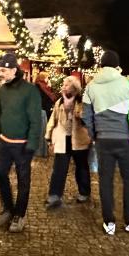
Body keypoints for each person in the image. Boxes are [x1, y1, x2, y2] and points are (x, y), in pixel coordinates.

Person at [82, 50, 129, 235]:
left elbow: (86, 115)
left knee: (105, 181)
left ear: (101, 65)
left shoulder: (91, 86)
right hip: (126, 140)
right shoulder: (127, 83)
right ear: (117, 65)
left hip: (103, 140)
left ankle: (109, 222)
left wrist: (95, 134)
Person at [0, 53, 43, 233]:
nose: (1, 73)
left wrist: (32, 143)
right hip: (5, 142)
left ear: (14, 70)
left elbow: (36, 119)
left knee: (23, 180)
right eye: (0, 70)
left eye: (4, 70)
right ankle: (8, 208)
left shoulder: (30, 90)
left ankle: (19, 215)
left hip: (22, 144)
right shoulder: (2, 90)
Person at [45, 75, 91, 209]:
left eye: (66, 85)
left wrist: (73, 110)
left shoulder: (82, 101)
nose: (63, 87)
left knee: (81, 167)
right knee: (59, 168)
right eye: (63, 84)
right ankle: (54, 195)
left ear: (75, 88)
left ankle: (84, 192)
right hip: (63, 138)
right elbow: (53, 119)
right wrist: (48, 136)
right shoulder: (59, 101)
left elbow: (86, 120)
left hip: (79, 140)